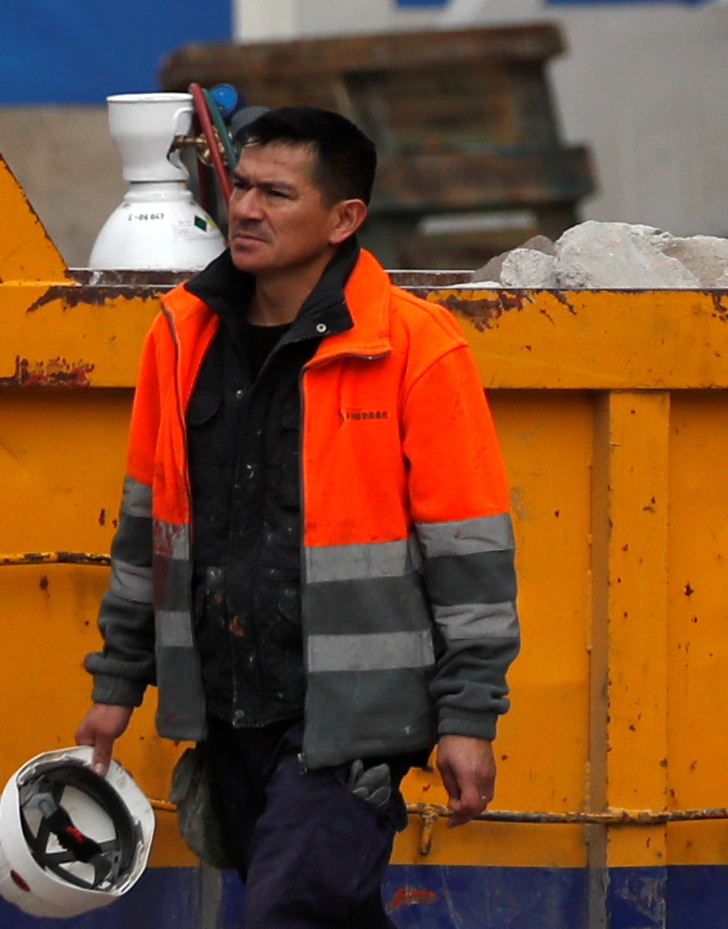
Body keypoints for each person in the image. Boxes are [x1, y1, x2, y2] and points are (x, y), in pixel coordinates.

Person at [66, 106, 515, 927]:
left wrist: (468, 716)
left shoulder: (415, 349)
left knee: (288, 913)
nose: (244, 209)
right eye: (240, 186)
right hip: (230, 710)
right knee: (323, 911)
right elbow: (147, 531)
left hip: (351, 727)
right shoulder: (179, 336)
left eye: (277, 193)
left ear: (344, 219)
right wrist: (116, 684)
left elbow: (471, 554)